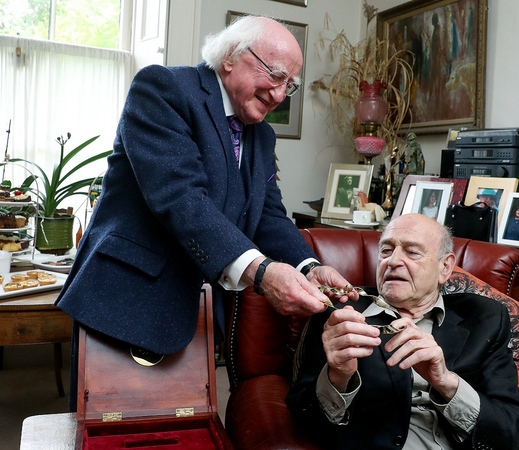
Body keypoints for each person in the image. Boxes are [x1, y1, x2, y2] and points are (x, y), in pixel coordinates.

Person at [55, 16, 357, 409]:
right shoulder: (163, 89)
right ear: (231, 57)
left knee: (181, 426)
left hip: (193, 313)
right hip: (125, 302)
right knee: (110, 425)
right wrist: (262, 273)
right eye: (276, 76)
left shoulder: (262, 135)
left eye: (290, 85)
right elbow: (181, 198)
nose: (280, 94)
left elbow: (268, 214)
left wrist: (307, 266)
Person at [287, 214, 519, 449]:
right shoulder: (339, 313)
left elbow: (513, 434)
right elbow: (303, 418)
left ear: (445, 267)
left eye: (412, 252)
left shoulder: (486, 318)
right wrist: (337, 376)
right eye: (386, 250)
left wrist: (446, 382)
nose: (392, 261)